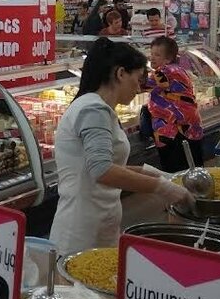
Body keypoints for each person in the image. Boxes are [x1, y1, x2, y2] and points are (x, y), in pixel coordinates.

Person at [48, 38, 194, 253]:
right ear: (121, 74)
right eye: (137, 78)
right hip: (81, 231)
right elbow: (102, 170)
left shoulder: (102, 109)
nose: (139, 87)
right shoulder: (92, 110)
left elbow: (106, 164)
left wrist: (157, 175)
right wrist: (163, 188)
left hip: (101, 223)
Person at [148, 37, 205, 172]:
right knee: (194, 167)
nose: (152, 58)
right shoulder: (178, 69)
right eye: (151, 54)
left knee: (176, 171)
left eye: (157, 55)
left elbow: (142, 84)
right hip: (190, 128)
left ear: (168, 59)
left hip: (173, 131)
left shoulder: (164, 71)